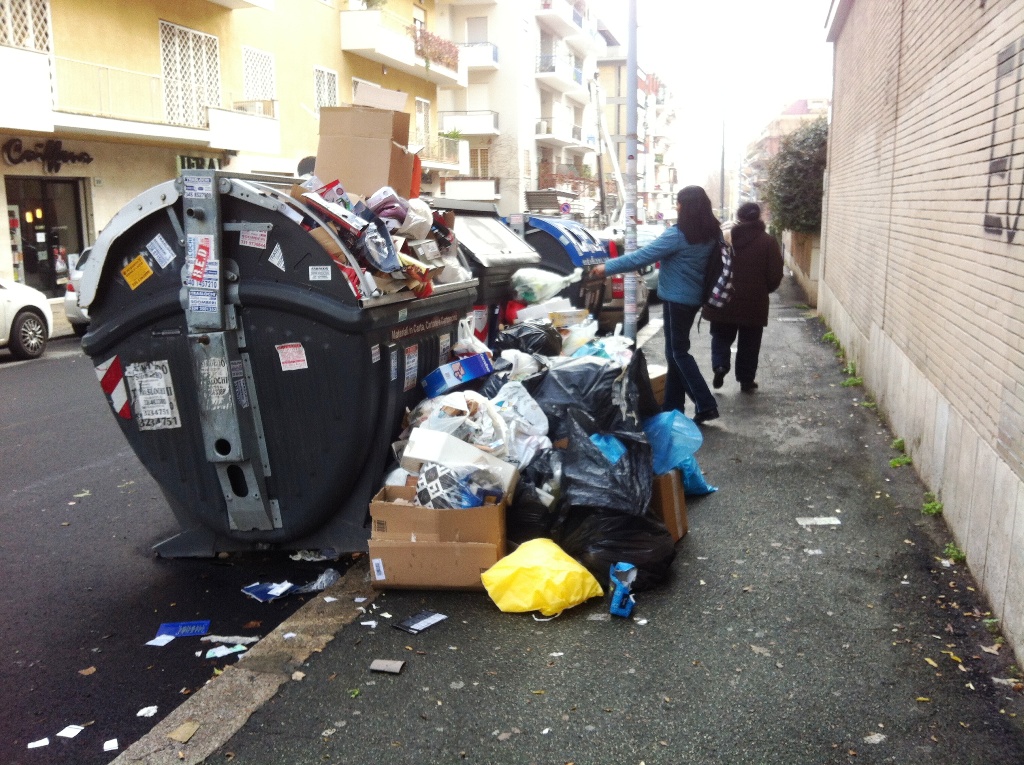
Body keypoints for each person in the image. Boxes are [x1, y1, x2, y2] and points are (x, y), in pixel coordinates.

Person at [591, 186, 721, 424]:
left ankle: (706, 403)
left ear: (686, 207)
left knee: (678, 353)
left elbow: (641, 257)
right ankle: (673, 407)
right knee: (674, 354)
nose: (676, 206)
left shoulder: (678, 235)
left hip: (676, 300)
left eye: (679, 202)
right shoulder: (711, 233)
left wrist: (606, 268)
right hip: (693, 299)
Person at [701, 202, 783, 393]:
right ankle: (746, 380)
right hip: (754, 303)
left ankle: (720, 365)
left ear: (739, 216)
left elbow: (710, 267)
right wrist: (763, 289)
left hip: (723, 299)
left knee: (721, 336)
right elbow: (775, 275)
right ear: (758, 217)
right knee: (750, 343)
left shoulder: (724, 237)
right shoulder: (768, 242)